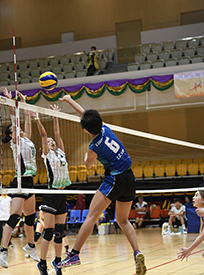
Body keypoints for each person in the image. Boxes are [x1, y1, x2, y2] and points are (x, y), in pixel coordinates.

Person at [56, 95, 146, 275]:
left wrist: (86, 156)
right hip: (130, 178)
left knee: (91, 216)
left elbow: (87, 165)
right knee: (122, 220)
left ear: (85, 130)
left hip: (115, 180)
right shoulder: (105, 127)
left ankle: (74, 254)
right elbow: (86, 115)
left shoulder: (93, 146)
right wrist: (70, 100)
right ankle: (137, 252)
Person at [0, 88, 39, 268]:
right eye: (15, 129)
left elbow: (27, 119)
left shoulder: (27, 139)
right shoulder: (16, 143)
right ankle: (2, 250)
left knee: (30, 218)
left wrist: (24, 102)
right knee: (15, 216)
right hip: (19, 181)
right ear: (11, 135)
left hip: (30, 181)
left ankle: (30, 247)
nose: (18, 129)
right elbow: (15, 118)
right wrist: (10, 101)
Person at [34, 104, 72, 275]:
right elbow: (44, 134)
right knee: (48, 232)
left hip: (63, 194)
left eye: (52, 141)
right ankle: (42, 263)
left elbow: (57, 134)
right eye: (48, 142)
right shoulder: (47, 155)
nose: (52, 142)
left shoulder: (61, 152)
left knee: (59, 232)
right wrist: (37, 119)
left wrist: (55, 116)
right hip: (51, 194)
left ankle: (57, 264)